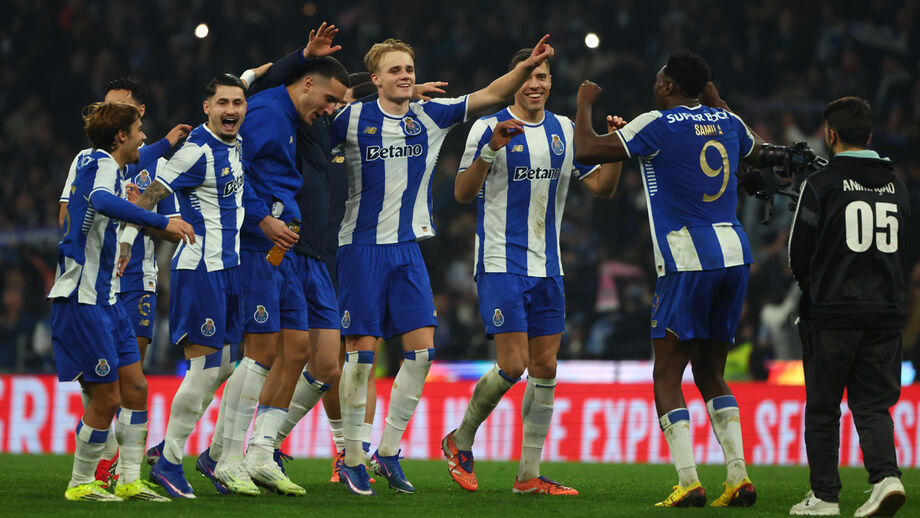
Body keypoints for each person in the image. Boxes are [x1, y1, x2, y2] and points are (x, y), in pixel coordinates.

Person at [329, 34, 553, 496]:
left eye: (409, 68)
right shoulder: (350, 119)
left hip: (409, 248)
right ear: (375, 80)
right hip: (361, 247)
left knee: (422, 352)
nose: (405, 76)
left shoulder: (430, 115)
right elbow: (308, 134)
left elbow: (491, 94)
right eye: (395, 70)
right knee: (361, 354)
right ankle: (351, 456)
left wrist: (527, 64)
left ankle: (387, 452)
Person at [573, 49, 763, 507]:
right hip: (734, 254)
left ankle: (689, 480)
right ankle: (737, 476)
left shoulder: (655, 123)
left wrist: (583, 105)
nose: (655, 85)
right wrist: (715, 98)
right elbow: (755, 146)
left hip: (686, 258)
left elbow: (585, 149)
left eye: (661, 79)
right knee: (712, 371)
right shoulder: (730, 124)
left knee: (667, 371)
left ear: (671, 87)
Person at [441, 48, 621, 496]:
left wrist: (616, 149)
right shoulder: (487, 126)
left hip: (549, 267)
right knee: (513, 365)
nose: (535, 84)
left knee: (544, 367)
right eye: (527, 77)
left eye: (542, 76)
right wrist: (489, 149)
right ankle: (460, 439)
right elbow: (462, 194)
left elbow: (601, 188)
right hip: (501, 264)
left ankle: (528, 475)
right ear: (514, 80)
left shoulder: (563, 130)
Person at [214, 47, 347, 495]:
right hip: (261, 245)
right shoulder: (268, 114)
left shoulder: (291, 116)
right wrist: (261, 218)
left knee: (294, 350)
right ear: (308, 84)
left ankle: (259, 453)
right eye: (329, 100)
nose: (330, 111)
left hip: (288, 246)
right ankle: (223, 455)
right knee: (261, 354)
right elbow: (234, 169)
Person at [50, 101, 193, 501]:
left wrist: (166, 142)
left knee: (135, 388)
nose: (142, 136)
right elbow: (100, 198)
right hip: (84, 299)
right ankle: (80, 483)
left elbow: (128, 174)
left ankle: (130, 479)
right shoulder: (100, 164)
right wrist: (162, 220)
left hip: (109, 300)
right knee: (108, 396)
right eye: (139, 129)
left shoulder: (108, 164)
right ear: (120, 136)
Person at [788, 97, 908, 517]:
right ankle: (886, 478)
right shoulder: (898, 184)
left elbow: (797, 254)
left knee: (823, 406)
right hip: (887, 311)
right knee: (874, 404)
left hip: (833, 313)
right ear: (871, 136)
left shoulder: (822, 184)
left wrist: (814, 289)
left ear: (831, 134)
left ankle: (824, 498)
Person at [141, 74, 254, 499]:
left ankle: (187, 454)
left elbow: (247, 78)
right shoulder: (195, 152)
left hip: (229, 270)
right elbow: (146, 196)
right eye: (222, 102)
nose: (231, 110)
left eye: (238, 103)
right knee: (207, 368)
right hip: (200, 270)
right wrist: (153, 225)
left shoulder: (234, 143)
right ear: (206, 107)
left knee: (224, 366)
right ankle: (170, 460)